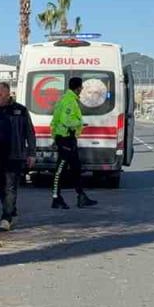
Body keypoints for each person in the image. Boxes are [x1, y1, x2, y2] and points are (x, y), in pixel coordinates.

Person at [0, 82, 36, 232]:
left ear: (7, 94)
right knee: (0, 187)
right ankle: (12, 211)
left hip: (14, 155)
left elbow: (30, 133)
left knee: (10, 187)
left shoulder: (20, 110)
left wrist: (31, 153)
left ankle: (6, 217)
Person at [49, 77, 98, 209]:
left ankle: (81, 196)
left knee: (76, 168)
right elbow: (66, 121)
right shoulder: (69, 101)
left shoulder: (66, 99)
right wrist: (81, 123)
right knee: (61, 169)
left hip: (68, 139)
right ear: (77, 88)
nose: (82, 89)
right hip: (65, 138)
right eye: (81, 87)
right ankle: (56, 198)